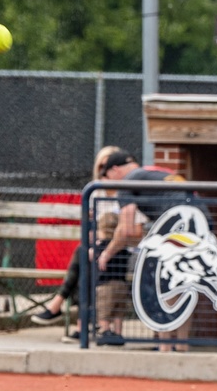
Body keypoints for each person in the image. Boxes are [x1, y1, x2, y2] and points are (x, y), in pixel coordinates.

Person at [96, 149, 194, 351]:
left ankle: (165, 348)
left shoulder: (128, 181)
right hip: (202, 225)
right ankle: (182, 347)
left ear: (115, 170)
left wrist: (107, 252)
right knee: (184, 287)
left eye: (107, 177)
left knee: (163, 286)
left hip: (176, 229)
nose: (110, 183)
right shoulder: (155, 171)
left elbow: (126, 229)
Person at [31, 145, 122, 341]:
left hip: (119, 250)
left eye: (109, 166)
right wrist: (92, 247)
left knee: (84, 259)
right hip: (96, 248)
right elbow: (90, 227)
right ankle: (79, 324)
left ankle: (63, 310)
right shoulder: (95, 192)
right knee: (84, 258)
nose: (105, 172)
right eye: (101, 167)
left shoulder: (126, 193)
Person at [92, 213, 130, 346]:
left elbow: (91, 256)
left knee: (103, 311)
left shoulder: (101, 246)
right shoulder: (121, 247)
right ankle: (118, 334)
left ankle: (106, 331)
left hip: (105, 284)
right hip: (122, 284)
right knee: (118, 312)